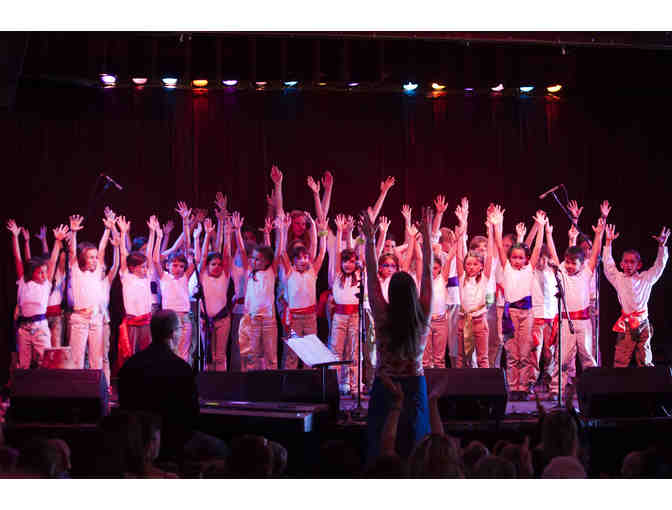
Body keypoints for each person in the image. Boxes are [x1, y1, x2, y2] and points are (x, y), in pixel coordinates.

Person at [362, 204, 433, 463]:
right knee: (415, 442)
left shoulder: (382, 316)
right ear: (414, 293)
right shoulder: (422, 317)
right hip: (414, 384)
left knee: (382, 442)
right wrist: (427, 238)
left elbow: (372, 275)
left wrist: (370, 240)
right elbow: (428, 274)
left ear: (391, 292)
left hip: (386, 384)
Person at [118, 310, 200, 460]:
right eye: (180, 329)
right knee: (220, 448)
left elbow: (124, 406)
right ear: (172, 334)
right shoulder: (181, 369)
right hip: (174, 444)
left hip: (135, 443)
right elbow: (192, 415)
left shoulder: (130, 365)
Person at [547, 209, 605, 400]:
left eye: (574, 263)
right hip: (566, 322)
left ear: (582, 264)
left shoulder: (586, 273)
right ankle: (557, 389)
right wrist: (548, 233)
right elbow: (554, 254)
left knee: (588, 357)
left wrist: (599, 234)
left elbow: (594, 254)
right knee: (562, 358)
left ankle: (595, 389)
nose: (570, 266)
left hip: (583, 322)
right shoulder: (562, 272)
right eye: (567, 262)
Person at [490, 207, 545, 400]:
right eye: (514, 257)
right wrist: (497, 224)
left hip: (527, 314)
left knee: (525, 352)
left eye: (521, 257)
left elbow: (537, 248)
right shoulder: (507, 268)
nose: (517, 260)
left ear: (526, 259)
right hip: (510, 314)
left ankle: (524, 387)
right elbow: (499, 246)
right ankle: (514, 387)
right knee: (512, 353)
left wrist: (541, 227)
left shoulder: (529, 269)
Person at [603, 224, 669, 367]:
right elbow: (608, 266)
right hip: (627, 324)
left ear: (639, 265)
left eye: (632, 262)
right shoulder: (619, 279)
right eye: (625, 262)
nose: (628, 265)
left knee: (645, 360)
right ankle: (618, 380)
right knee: (621, 360)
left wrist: (662, 247)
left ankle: (646, 380)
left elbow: (659, 266)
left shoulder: (646, 278)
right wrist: (608, 243)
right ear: (621, 264)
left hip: (643, 323)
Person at [7, 220, 67, 368]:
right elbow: (18, 259)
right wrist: (15, 237)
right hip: (24, 329)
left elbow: (53, 261)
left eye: (45, 272)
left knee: (45, 362)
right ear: (32, 273)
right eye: (40, 272)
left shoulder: (46, 284)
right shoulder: (24, 282)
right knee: (24, 364)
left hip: (40, 327)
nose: (44, 275)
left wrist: (57, 241)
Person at [278, 212, 327, 369]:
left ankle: (309, 381)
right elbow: (282, 252)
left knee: (310, 353)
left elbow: (321, 251)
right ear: (293, 260)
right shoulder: (290, 272)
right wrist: (284, 230)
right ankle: (289, 382)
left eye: (305, 257)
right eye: (299, 258)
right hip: (294, 318)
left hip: (310, 317)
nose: (303, 260)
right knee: (291, 353)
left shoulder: (312, 271)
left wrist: (318, 229)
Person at [234, 211, 281, 371]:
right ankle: (251, 382)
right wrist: (237, 231)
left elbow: (278, 251)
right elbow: (242, 251)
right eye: (253, 258)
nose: (253, 261)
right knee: (252, 355)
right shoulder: (249, 271)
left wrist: (279, 232)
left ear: (267, 261)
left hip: (268, 320)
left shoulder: (271, 272)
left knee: (270, 356)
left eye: (257, 259)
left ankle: (271, 382)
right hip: (252, 319)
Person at [153, 202, 196, 363]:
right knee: (169, 351)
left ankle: (182, 376)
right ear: (168, 265)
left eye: (181, 266)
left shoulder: (185, 277)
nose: (178, 269)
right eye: (175, 265)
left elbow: (189, 249)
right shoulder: (164, 276)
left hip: (184, 318)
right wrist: (159, 237)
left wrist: (186, 222)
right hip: (169, 317)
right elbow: (155, 260)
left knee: (183, 352)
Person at [454, 199, 493, 368]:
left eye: (475, 264)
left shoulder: (484, 278)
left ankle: (484, 385)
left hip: (479, 321)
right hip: (463, 320)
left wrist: (492, 229)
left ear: (481, 266)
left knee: (483, 358)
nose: (471, 267)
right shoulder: (462, 277)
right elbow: (459, 254)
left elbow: (490, 255)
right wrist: (463, 223)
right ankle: (460, 384)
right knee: (461, 359)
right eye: (468, 264)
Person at [67, 214, 108, 371]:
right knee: (76, 359)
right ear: (82, 258)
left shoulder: (97, 271)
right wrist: (74, 232)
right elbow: (72, 252)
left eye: (95, 257)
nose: (95, 260)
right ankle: (76, 385)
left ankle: (96, 385)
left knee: (96, 360)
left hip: (95, 318)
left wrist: (107, 229)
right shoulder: (77, 271)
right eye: (91, 257)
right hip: (80, 319)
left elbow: (102, 249)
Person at [330, 216, 364, 394]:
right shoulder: (337, 274)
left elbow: (358, 251)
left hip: (355, 316)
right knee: (336, 351)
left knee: (354, 351)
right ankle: (335, 386)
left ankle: (355, 385)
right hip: (339, 317)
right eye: (345, 261)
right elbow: (338, 253)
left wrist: (355, 233)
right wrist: (340, 232)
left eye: (352, 261)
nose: (348, 264)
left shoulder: (359, 274)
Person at [116, 215, 155, 369]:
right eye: (142, 267)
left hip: (146, 322)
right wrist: (123, 233)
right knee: (130, 355)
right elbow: (123, 255)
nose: (145, 269)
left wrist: (152, 233)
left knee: (146, 356)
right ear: (132, 267)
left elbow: (149, 254)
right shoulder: (127, 277)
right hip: (132, 322)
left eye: (146, 266)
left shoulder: (147, 277)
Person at [198, 216, 233, 371]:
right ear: (207, 266)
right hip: (206, 320)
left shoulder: (225, 275)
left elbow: (227, 256)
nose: (217, 267)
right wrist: (207, 235)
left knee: (220, 355)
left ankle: (221, 381)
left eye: (219, 264)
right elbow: (203, 256)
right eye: (213, 264)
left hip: (222, 319)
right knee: (208, 355)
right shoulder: (203, 276)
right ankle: (208, 382)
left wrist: (227, 234)